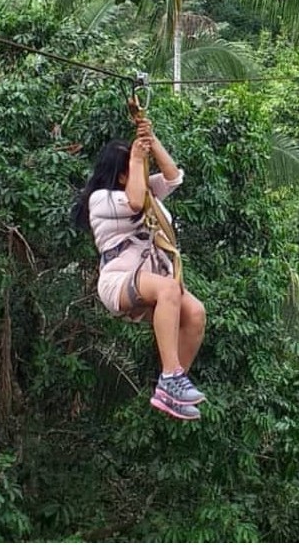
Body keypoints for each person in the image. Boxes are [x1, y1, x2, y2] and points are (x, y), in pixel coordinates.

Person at [72, 116, 207, 421]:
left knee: (195, 313)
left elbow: (173, 177)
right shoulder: (102, 199)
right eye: (138, 168)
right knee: (169, 288)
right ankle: (171, 375)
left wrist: (151, 138)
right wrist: (136, 156)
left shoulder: (144, 191)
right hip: (117, 282)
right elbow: (134, 201)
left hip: (147, 279)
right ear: (122, 175)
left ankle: (170, 388)